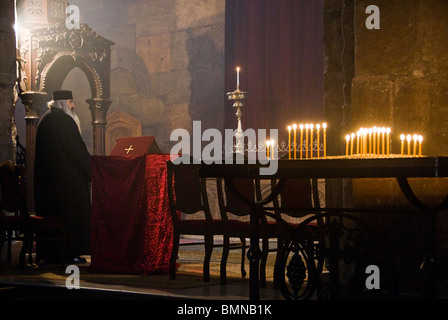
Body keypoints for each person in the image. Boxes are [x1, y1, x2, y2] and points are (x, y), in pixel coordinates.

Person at [34, 90, 91, 264]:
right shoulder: (65, 122)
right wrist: (91, 171)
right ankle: (71, 252)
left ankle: (51, 254)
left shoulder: (45, 120)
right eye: (70, 101)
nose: (73, 106)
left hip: (48, 187)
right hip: (66, 186)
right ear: (61, 103)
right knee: (76, 209)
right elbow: (77, 152)